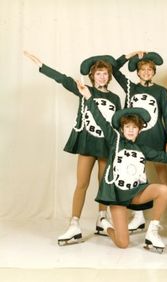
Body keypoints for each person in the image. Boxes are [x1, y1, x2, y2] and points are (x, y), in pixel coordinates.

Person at [77, 81, 167, 251]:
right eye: (127, 127)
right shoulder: (114, 141)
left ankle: (152, 232)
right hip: (117, 197)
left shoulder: (143, 149)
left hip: (135, 194)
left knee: (163, 190)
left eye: (134, 128)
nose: (130, 130)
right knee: (123, 244)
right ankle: (105, 224)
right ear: (122, 129)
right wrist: (88, 96)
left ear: (139, 130)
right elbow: (99, 118)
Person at [24, 51, 122, 246]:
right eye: (98, 73)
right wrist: (42, 66)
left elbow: (117, 124)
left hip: (106, 144)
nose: (102, 76)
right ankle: (74, 223)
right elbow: (63, 79)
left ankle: (102, 218)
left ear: (109, 76)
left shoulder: (115, 98)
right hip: (87, 142)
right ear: (92, 76)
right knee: (82, 183)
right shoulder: (84, 89)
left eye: (105, 73)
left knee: (105, 183)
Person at [112, 50, 167, 234]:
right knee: (135, 175)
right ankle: (138, 216)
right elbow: (114, 69)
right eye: (142, 69)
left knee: (164, 176)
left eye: (149, 69)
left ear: (154, 72)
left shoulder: (161, 91)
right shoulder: (131, 87)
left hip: (156, 137)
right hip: (134, 139)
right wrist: (130, 55)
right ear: (137, 72)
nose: (146, 72)